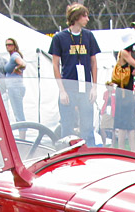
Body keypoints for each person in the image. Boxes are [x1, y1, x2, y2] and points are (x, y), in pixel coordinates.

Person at [50, 3, 100, 145]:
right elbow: (55, 64)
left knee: (87, 127)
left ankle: (89, 153)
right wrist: (62, 90)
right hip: (68, 87)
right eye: (84, 16)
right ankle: (67, 156)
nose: (87, 19)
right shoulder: (60, 37)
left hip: (85, 88)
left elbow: (94, 63)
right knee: (67, 127)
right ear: (76, 17)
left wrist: (94, 87)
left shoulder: (89, 36)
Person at [113, 26, 135, 152]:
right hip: (124, 92)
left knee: (128, 121)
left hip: (126, 91)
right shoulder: (124, 52)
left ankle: (129, 148)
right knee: (125, 121)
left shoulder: (125, 53)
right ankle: (125, 148)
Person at [3, 38, 27, 121]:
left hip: (15, 87)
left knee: (19, 113)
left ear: (14, 46)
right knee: (17, 112)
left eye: (10, 44)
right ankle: (22, 132)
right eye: (6, 45)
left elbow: (23, 63)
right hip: (12, 87)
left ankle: (22, 132)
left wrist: (17, 68)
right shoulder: (12, 57)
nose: (8, 46)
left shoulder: (14, 56)